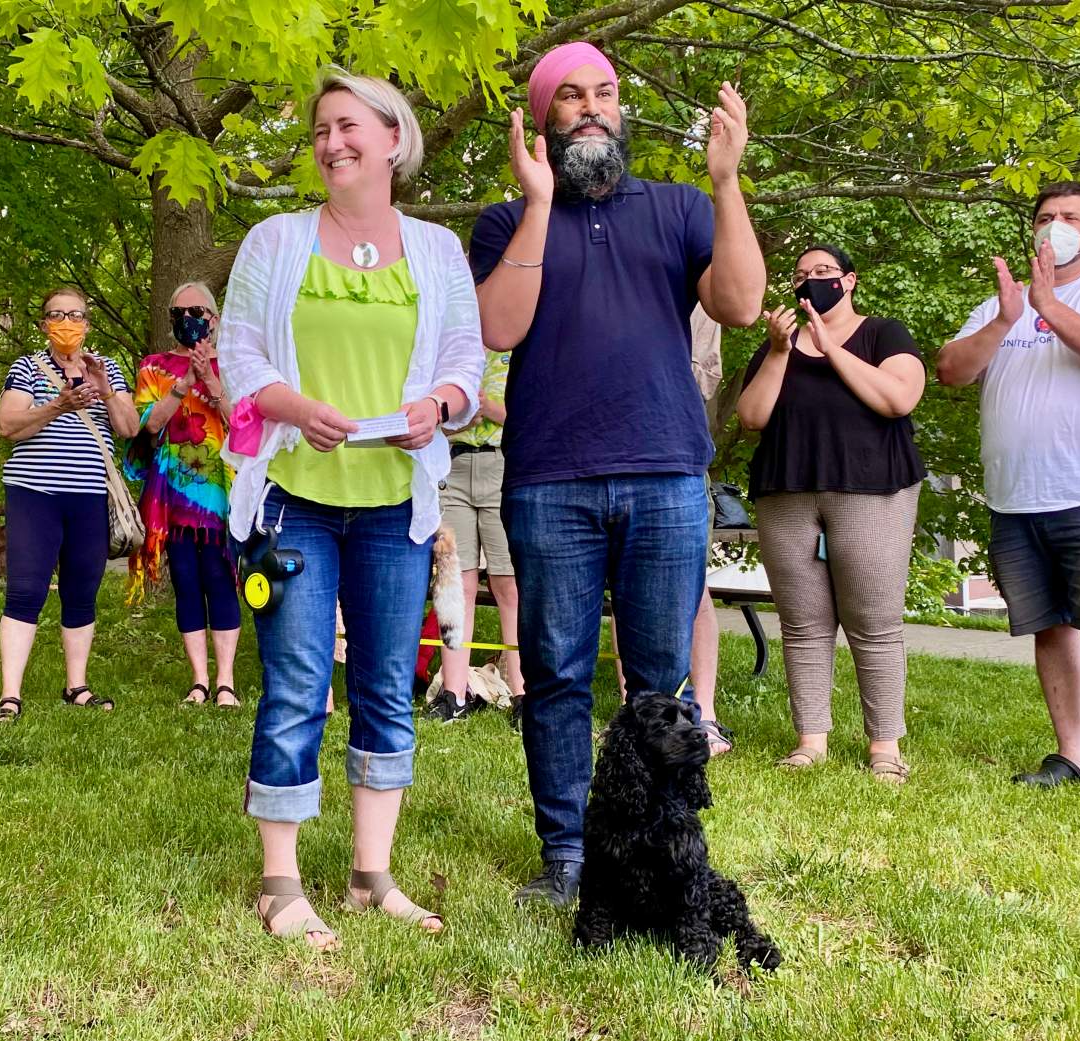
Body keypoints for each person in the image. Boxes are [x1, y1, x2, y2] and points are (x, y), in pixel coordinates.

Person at [469, 42, 765, 907]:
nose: (591, 107)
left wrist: (726, 182)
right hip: (549, 477)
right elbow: (499, 326)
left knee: (660, 677)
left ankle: (666, 848)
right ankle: (568, 852)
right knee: (555, 671)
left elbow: (742, 305)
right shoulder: (504, 219)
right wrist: (536, 201)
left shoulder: (678, 207)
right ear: (543, 116)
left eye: (603, 92)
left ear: (622, 108)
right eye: (570, 97)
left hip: (667, 471)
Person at [218, 69, 483, 948]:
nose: (332, 143)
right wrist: (292, 408)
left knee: (383, 686)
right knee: (296, 682)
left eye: (347, 127)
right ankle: (281, 883)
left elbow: (465, 366)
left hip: (395, 508)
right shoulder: (275, 241)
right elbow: (239, 352)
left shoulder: (440, 252)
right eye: (322, 131)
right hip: (294, 498)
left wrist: (437, 407)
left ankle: (372, 878)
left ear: (394, 139)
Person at [737, 244, 926, 783]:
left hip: (872, 490)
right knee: (802, 625)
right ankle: (810, 741)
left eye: (823, 272)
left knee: (874, 624)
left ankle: (884, 747)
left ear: (849, 281)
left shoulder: (883, 334)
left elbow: (898, 399)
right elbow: (752, 417)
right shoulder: (778, 344)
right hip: (787, 491)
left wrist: (829, 348)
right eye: (801, 275)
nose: (811, 281)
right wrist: (779, 352)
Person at [937, 181, 1080, 787]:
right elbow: (951, 370)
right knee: (1050, 626)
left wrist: (1048, 306)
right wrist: (1009, 318)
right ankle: (1073, 758)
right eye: (1044, 216)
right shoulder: (998, 303)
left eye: (1067, 217)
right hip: (1015, 497)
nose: (1052, 225)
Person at [0, 287, 139, 721]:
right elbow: (6, 424)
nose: (67, 323)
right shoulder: (28, 369)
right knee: (25, 589)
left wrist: (105, 389)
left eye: (75, 315)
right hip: (33, 495)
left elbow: (129, 428)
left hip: (89, 495)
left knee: (82, 590)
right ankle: (10, 695)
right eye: (57, 315)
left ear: (88, 324)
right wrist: (58, 405)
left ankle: (77, 686)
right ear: (43, 325)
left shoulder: (106, 368)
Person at [611, 306, 730, 753]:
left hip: (672, 456)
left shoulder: (693, 289)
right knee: (626, 593)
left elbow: (704, 379)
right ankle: (635, 717)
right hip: (607, 456)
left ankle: (704, 717)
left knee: (691, 591)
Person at [126, 281, 241, 707]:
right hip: (172, 497)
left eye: (195, 311)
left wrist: (211, 381)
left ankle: (225, 681)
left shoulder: (236, 363)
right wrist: (183, 382)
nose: (186, 320)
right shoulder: (154, 367)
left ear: (214, 318)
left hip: (223, 494)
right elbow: (148, 426)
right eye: (177, 313)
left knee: (221, 578)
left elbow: (245, 424)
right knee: (187, 582)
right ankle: (199, 680)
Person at [426, 348, 525, 722]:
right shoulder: (458, 348)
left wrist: (489, 408)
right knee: (455, 584)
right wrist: (464, 416)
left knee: (509, 585)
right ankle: (454, 695)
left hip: (506, 465)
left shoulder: (523, 346)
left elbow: (536, 421)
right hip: (454, 466)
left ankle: (522, 693)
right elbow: (436, 422)